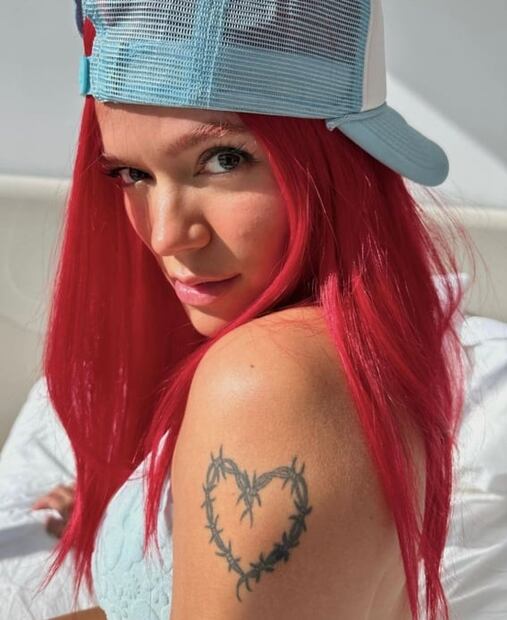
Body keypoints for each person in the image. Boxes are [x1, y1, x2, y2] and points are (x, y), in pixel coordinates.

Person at [40, 1, 474, 619]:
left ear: (334, 166)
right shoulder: (335, 352)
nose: (165, 235)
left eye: (223, 160)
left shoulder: (265, 379)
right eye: (133, 174)